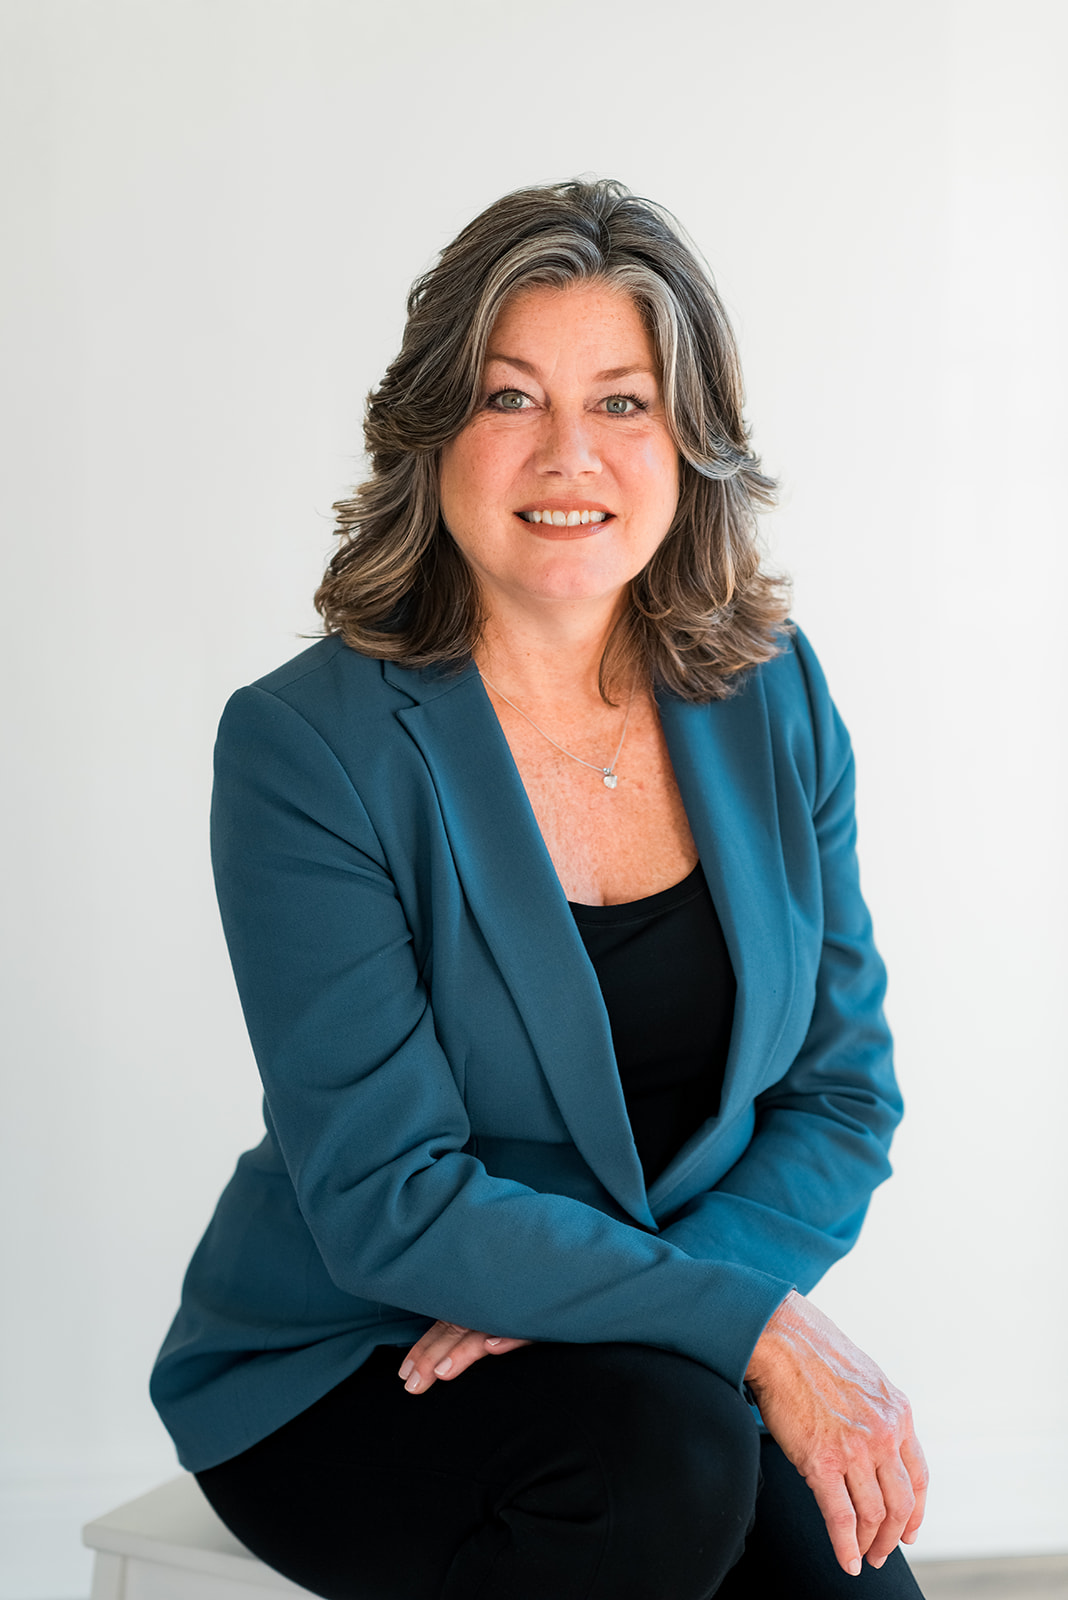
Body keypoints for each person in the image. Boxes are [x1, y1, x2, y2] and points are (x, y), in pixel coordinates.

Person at [151, 178, 928, 1599]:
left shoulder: (774, 695)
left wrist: (653, 1307)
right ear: (435, 435)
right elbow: (391, 1198)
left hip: (652, 1353)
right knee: (672, 1461)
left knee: (839, 1566)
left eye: (624, 403)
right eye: (512, 399)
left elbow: (840, 1092)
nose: (569, 453)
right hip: (357, 1353)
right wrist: (748, 1328)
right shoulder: (306, 748)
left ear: (691, 443)